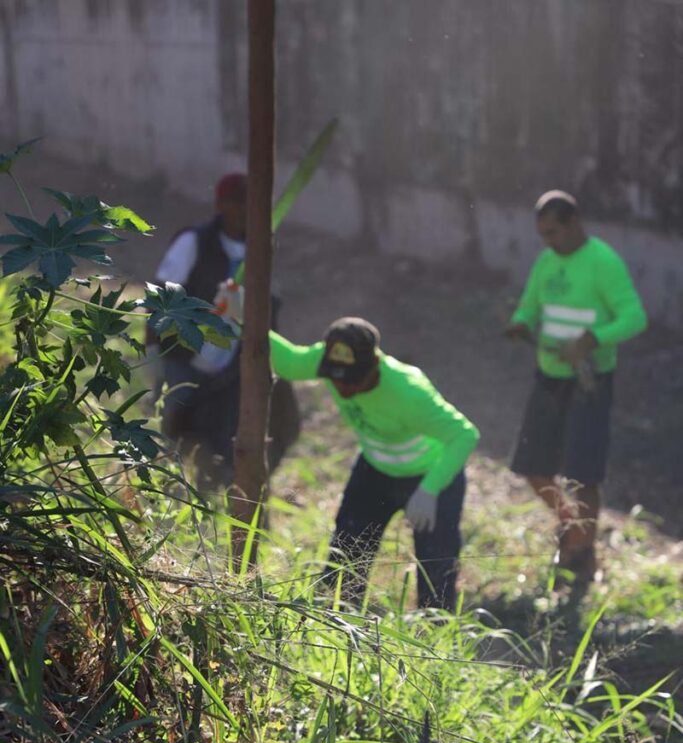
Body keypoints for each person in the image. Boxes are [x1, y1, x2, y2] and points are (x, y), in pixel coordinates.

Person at [262, 314, 480, 610]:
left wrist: (430, 489)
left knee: (436, 565)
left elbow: (464, 435)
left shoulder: (409, 392)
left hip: (431, 474)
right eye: (336, 378)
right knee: (347, 553)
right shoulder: (330, 363)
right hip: (375, 471)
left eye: (352, 381)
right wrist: (243, 319)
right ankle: (337, 619)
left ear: (374, 365)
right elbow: (287, 361)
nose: (344, 390)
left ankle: (434, 631)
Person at [506, 190, 647, 583]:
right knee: (533, 467)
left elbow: (635, 318)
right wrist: (520, 321)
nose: (549, 242)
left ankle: (581, 553)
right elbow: (531, 304)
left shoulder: (603, 262)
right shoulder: (548, 261)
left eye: (554, 232)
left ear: (573, 223)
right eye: (543, 235)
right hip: (550, 376)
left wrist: (593, 339)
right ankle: (571, 525)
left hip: (590, 381)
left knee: (584, 473)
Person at [148, 172, 299, 493]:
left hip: (234, 361)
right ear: (222, 206)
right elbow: (161, 298)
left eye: (253, 206)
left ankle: (238, 492)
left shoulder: (259, 248)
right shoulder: (194, 243)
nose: (247, 213)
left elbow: (269, 304)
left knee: (262, 423)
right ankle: (164, 489)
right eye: (239, 205)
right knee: (175, 420)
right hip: (186, 356)